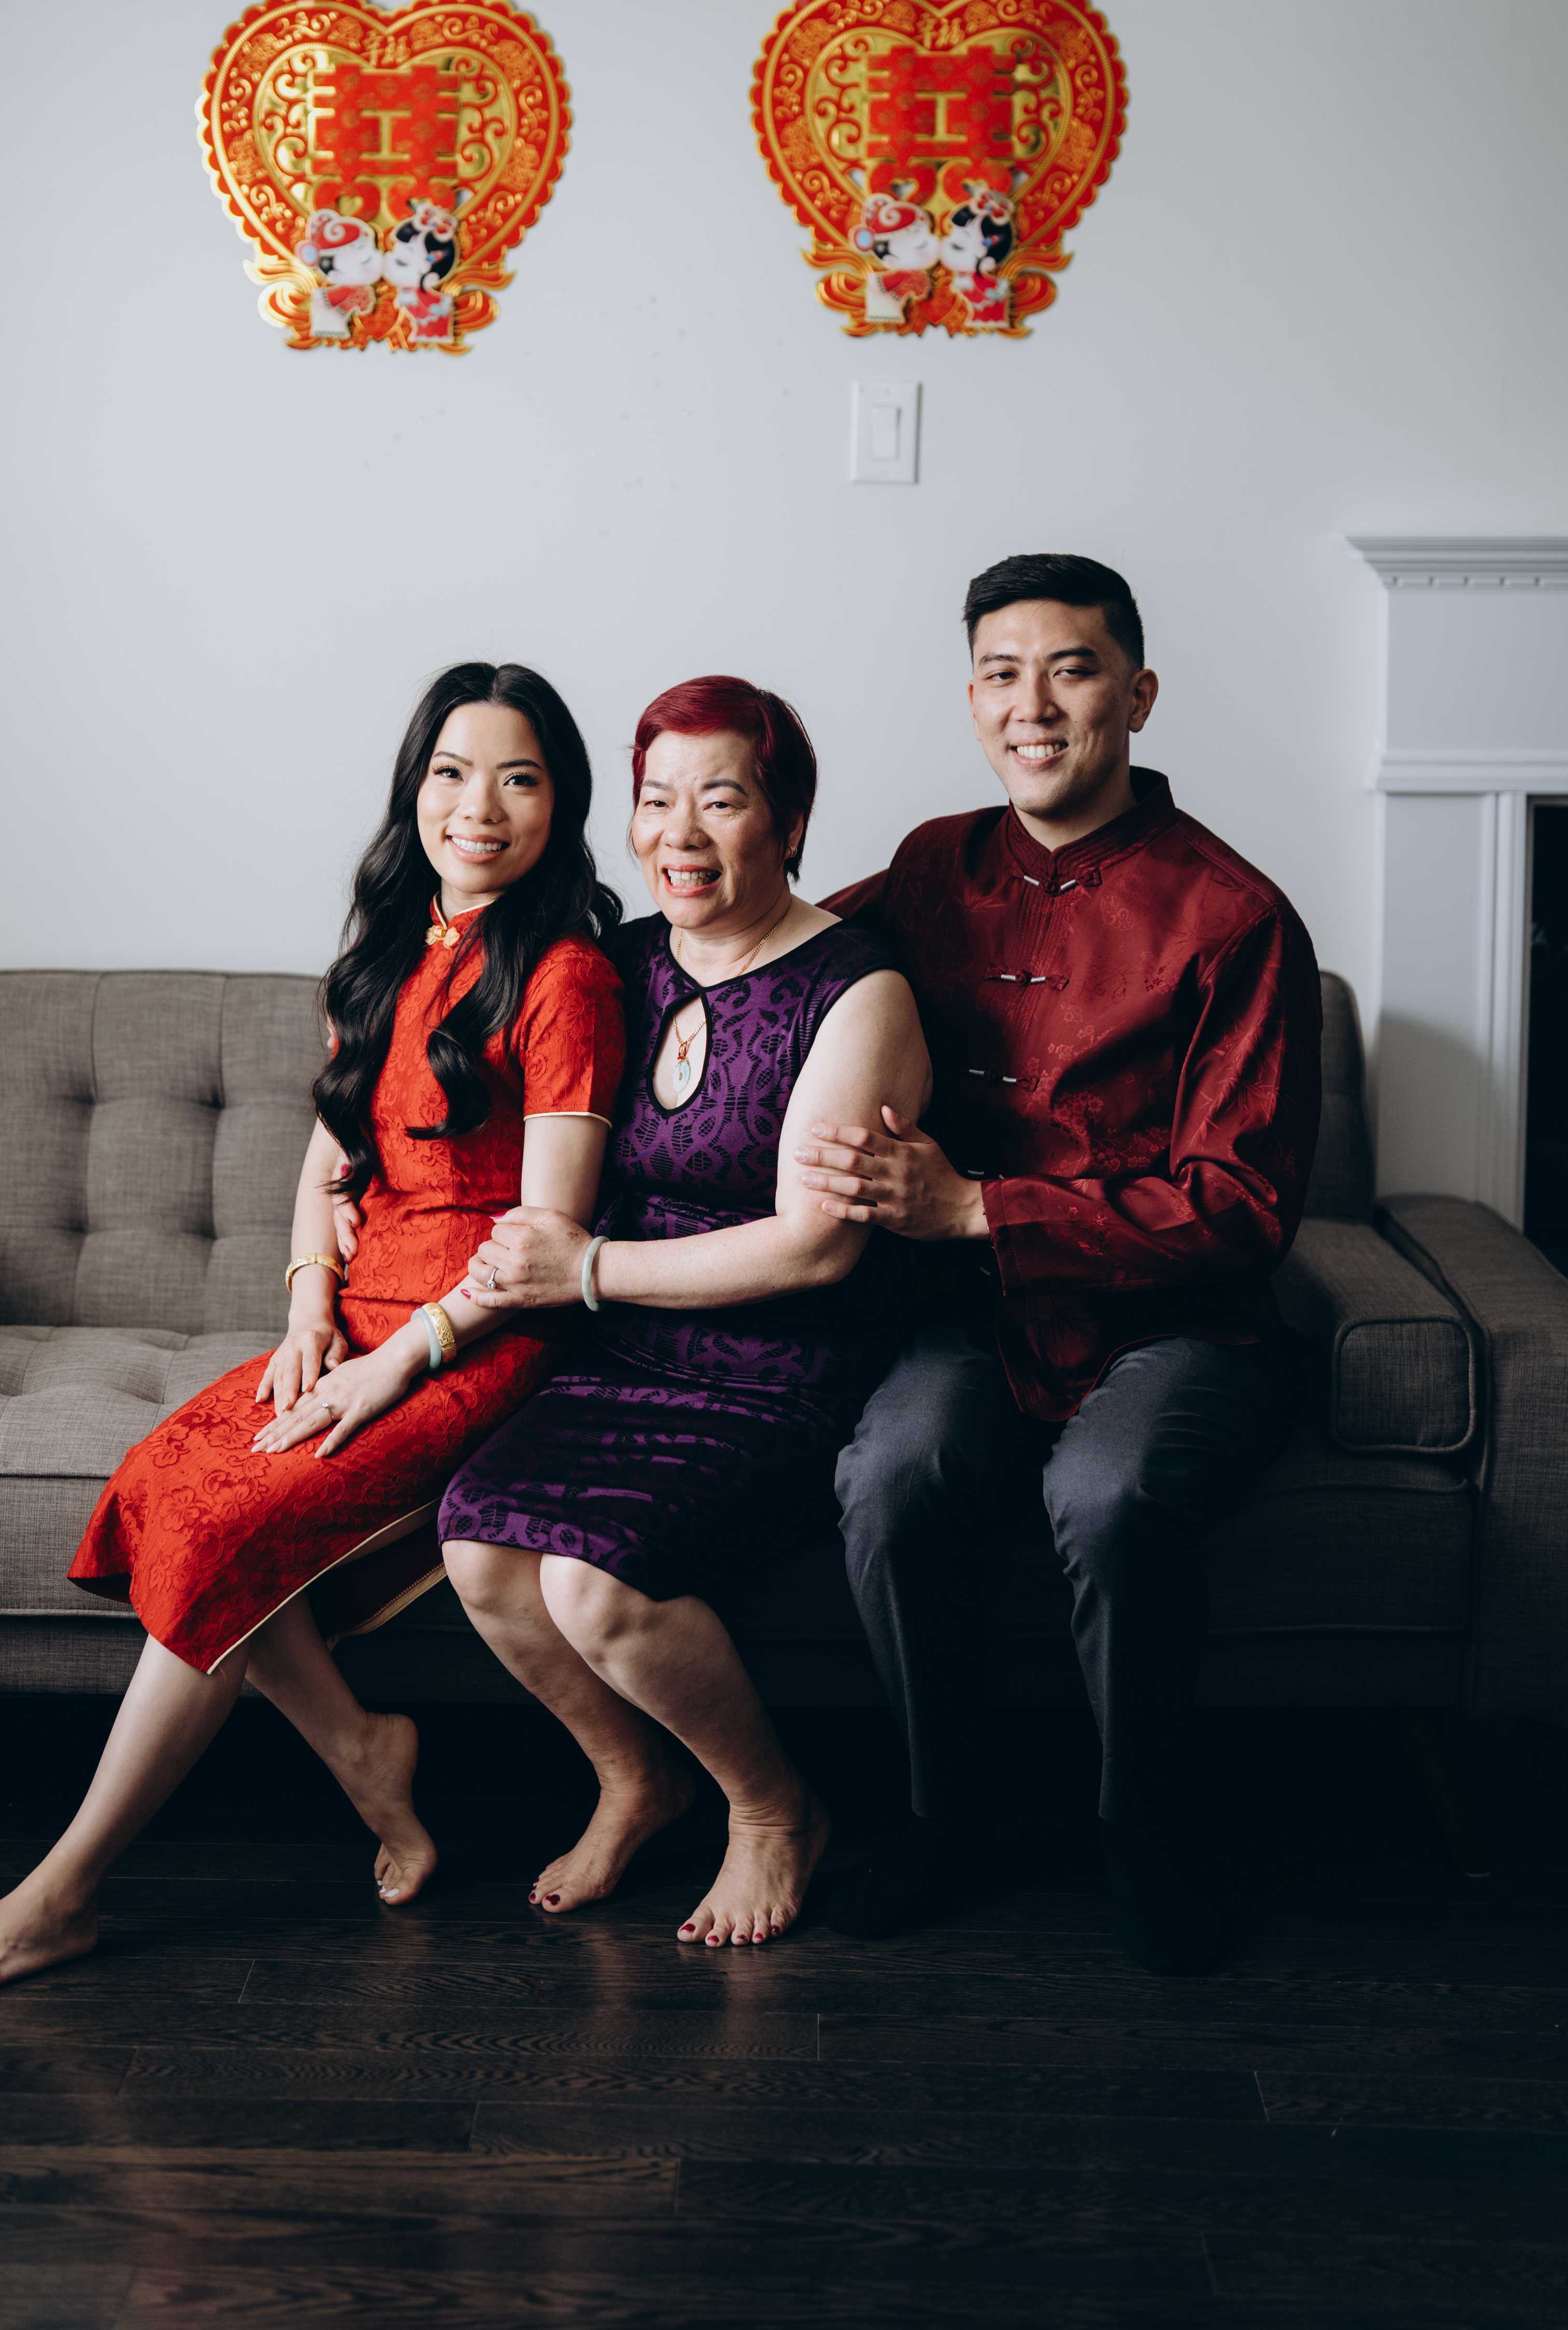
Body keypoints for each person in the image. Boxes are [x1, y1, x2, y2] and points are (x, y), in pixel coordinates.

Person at [0, 661, 626, 1999]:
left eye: (519, 779)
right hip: (360, 1316)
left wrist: (394, 1364)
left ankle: (63, 1893)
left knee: (227, 1531)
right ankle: (363, 1748)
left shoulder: (565, 974)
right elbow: (331, 1155)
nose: (479, 806)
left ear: (559, 805)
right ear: (412, 790)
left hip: (480, 1338)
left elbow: (546, 1239)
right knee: (163, 1491)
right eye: (452, 772)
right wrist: (305, 1305)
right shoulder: (390, 954)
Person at [798, 555, 1321, 1971]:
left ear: (1136, 696)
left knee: (1106, 1491)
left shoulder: (1235, 915)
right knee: (890, 1474)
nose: (1030, 706)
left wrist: (980, 1209)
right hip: (972, 1323)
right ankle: (940, 1814)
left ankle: (1141, 1829)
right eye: (998, 674)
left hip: (1183, 1326)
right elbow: (774, 951)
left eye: (1070, 670)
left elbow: (1239, 1209)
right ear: (970, 698)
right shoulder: (931, 865)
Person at [440, 676, 928, 1950]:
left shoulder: (854, 989)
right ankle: (635, 1780)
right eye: (657, 801)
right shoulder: (620, 966)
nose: (680, 833)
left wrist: (585, 1270)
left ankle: (773, 1811)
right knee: (478, 1554)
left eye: (721, 800)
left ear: (790, 821)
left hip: (781, 1374)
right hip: (619, 1359)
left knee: (592, 1586)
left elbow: (817, 1246)